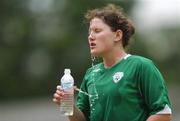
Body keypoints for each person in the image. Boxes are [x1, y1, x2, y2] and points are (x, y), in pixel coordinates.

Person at [53, 4, 172, 121]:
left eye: (97, 31)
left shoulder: (141, 66)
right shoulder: (91, 74)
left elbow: (163, 113)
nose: (90, 36)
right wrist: (69, 105)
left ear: (117, 35)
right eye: (90, 32)